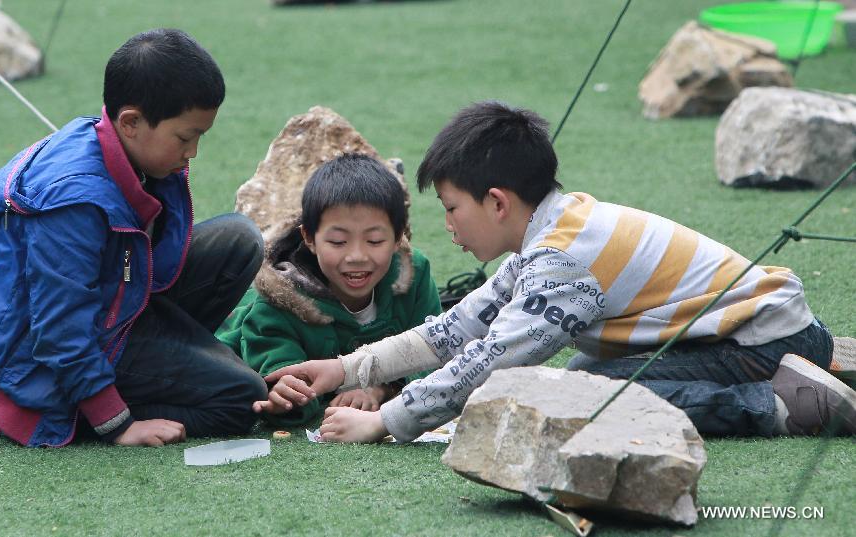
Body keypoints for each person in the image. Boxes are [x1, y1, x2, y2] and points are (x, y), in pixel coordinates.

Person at [255, 101, 856, 443]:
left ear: (496, 202)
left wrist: (386, 421)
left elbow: (494, 359)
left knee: (583, 392)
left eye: (451, 208)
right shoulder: (548, 233)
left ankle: (781, 405)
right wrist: (346, 368)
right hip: (753, 327)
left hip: (762, 336)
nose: (449, 226)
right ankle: (819, 362)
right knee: (585, 371)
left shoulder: (561, 259)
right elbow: (461, 327)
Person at [0, 29, 268, 448]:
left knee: (239, 239)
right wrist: (119, 425)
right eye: (184, 137)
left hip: (112, 309)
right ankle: (68, 416)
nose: (193, 152)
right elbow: (57, 327)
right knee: (243, 398)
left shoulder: (121, 146)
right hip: (43, 362)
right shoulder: (75, 201)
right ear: (130, 122)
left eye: (200, 137)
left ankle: (174, 364)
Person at [217, 154, 441, 426]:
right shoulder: (280, 298)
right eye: (337, 242)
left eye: (374, 240)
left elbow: (435, 352)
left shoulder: (413, 274)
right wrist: (287, 395)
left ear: (398, 237)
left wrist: (383, 387)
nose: (356, 255)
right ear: (309, 238)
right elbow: (280, 376)